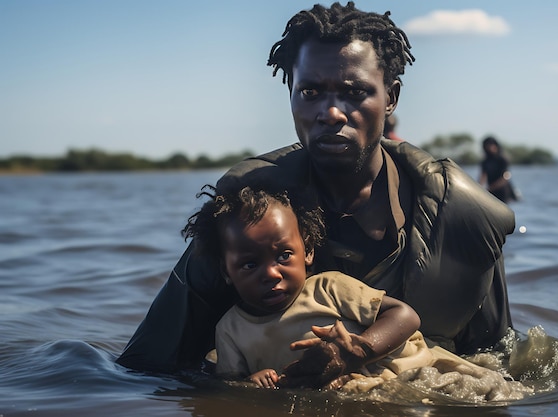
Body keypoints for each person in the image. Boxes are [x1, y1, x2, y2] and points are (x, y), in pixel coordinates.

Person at [117, 1, 515, 374]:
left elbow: (504, 364)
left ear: (390, 98)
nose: (332, 112)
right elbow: (153, 361)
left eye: (355, 92)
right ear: (290, 94)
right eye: (310, 92)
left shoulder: (460, 214)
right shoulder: (247, 211)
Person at [185, 185, 425, 389]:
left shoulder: (329, 288)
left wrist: (355, 351)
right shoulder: (230, 330)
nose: (271, 273)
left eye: (284, 255)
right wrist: (253, 383)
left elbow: (405, 316)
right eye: (250, 264)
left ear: (308, 250)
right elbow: (231, 387)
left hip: (406, 377)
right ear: (227, 271)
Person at [479, 136, 518, 203]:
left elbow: (506, 176)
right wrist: (479, 189)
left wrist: (491, 187)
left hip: (503, 191)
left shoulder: (502, 160)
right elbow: (483, 176)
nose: (489, 148)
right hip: (491, 192)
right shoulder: (485, 162)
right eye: (487, 145)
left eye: (491, 145)